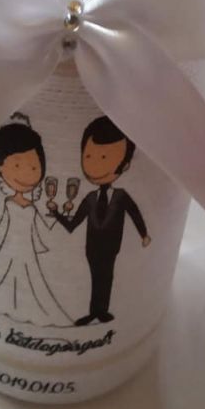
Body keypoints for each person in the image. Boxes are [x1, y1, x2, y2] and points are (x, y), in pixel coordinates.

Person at [0, 114, 72, 328]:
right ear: (0, 169)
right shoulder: (9, 203)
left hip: (26, 252)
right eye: (16, 166)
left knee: (31, 285)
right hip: (10, 250)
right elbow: (3, 226)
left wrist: (61, 216)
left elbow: (42, 229)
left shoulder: (31, 206)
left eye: (33, 167)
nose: (27, 174)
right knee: (4, 279)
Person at [50, 116, 151, 325]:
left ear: (125, 165)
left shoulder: (121, 196)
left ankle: (101, 311)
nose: (95, 166)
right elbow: (72, 224)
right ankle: (94, 312)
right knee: (97, 277)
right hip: (92, 248)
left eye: (104, 157)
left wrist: (144, 234)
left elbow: (134, 214)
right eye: (88, 156)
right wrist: (57, 213)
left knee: (106, 276)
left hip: (111, 247)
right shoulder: (89, 199)